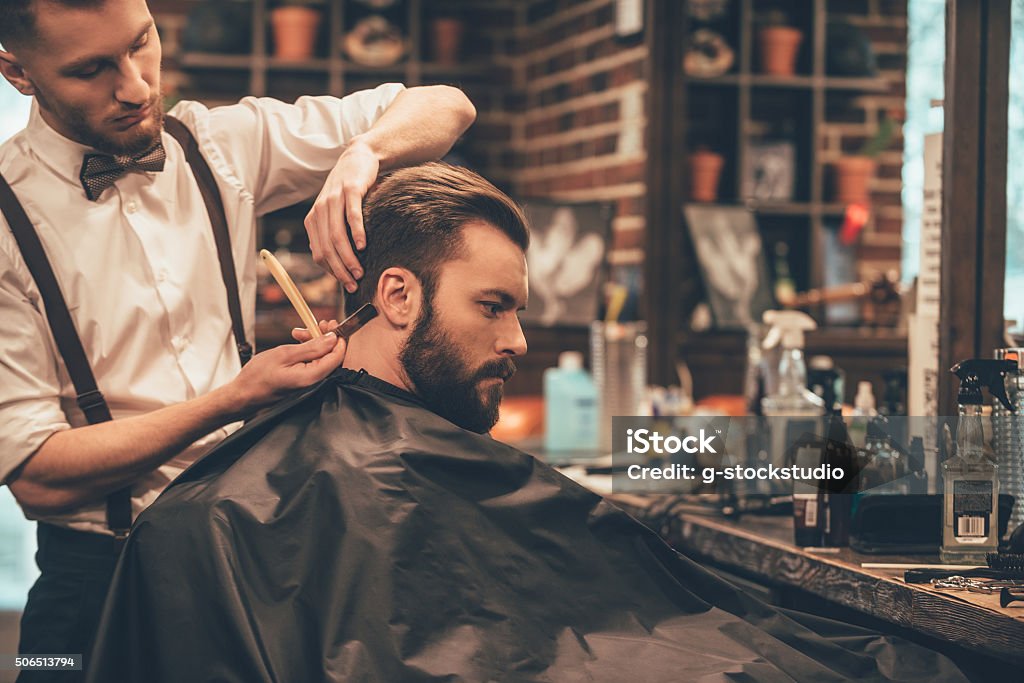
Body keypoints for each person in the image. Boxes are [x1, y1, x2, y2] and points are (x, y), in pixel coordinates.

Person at [89, 163, 968, 683]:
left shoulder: (406, 457)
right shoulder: (226, 515)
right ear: (397, 296)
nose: (516, 339)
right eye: (493, 305)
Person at [0, 0, 474, 676]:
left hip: (240, 556)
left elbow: (447, 105)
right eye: (91, 70)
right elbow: (38, 476)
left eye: (142, 44)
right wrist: (235, 398)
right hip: (91, 587)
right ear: (17, 72)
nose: (135, 86)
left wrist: (363, 153)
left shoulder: (220, 145)